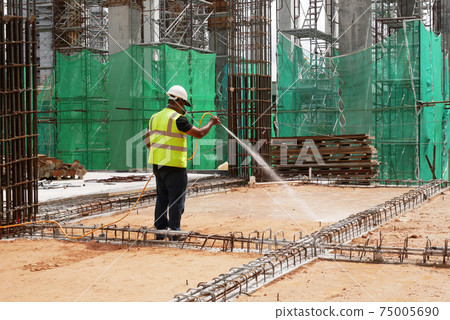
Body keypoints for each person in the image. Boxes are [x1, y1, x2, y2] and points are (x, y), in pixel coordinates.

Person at [146, 85, 220, 239]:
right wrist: (211, 122)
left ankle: (160, 231)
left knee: (162, 198)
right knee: (176, 200)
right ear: (178, 101)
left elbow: (148, 141)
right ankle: (174, 232)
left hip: (158, 166)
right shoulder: (177, 119)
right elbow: (199, 133)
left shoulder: (154, 117)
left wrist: (160, 152)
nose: (184, 108)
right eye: (184, 104)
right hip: (174, 167)